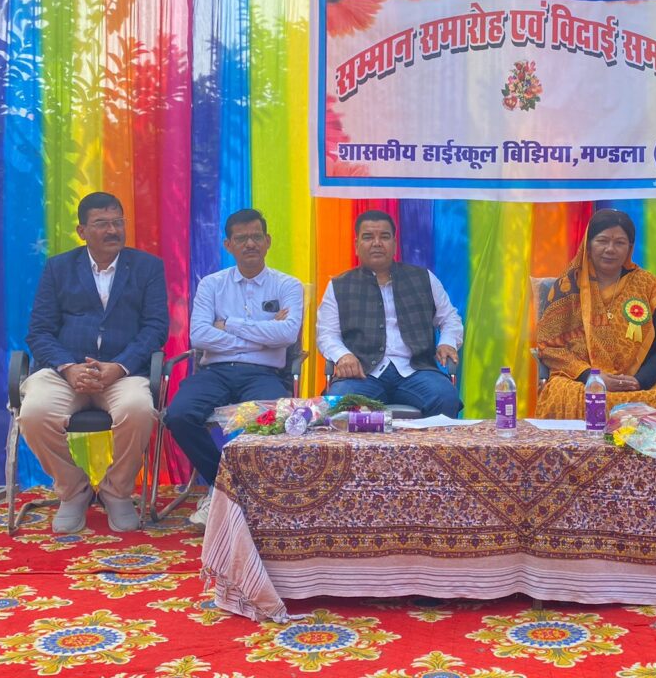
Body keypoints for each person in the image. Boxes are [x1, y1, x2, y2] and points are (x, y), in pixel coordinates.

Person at [21, 192, 168, 533]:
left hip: (122, 372)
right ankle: (74, 491)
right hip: (65, 372)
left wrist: (119, 366)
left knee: (138, 409)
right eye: (102, 224)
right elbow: (39, 331)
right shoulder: (58, 268)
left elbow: (156, 328)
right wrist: (68, 368)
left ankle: (116, 491)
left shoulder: (147, 267)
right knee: (34, 413)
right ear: (82, 231)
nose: (112, 230)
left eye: (118, 222)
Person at [164, 209, 303, 527]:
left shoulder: (288, 285)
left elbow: (286, 334)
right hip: (216, 372)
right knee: (179, 415)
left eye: (256, 237)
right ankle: (225, 486)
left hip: (264, 374)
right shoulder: (211, 285)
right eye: (241, 238)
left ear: (268, 241)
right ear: (228, 245)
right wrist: (263, 337)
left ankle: (239, 493)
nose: (250, 244)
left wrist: (228, 324)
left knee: (273, 419)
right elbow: (200, 336)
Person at [535, 209, 656, 418]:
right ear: (588, 244)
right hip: (581, 381)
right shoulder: (568, 285)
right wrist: (591, 376)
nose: (610, 249)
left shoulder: (648, 285)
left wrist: (640, 380)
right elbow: (549, 346)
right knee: (564, 396)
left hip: (636, 383)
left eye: (620, 242)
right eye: (602, 241)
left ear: (630, 247)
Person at [317, 209, 462, 417]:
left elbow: (449, 318)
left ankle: (432, 442)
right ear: (357, 245)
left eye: (384, 237)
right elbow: (327, 333)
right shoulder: (339, 285)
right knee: (339, 402)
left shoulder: (423, 278)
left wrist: (447, 342)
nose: (377, 243)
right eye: (368, 237)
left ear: (394, 244)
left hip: (416, 371)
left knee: (446, 397)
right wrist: (343, 356)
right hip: (363, 374)